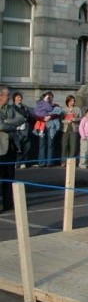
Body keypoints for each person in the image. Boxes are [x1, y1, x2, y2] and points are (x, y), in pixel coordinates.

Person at [0, 85, 26, 213]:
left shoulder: (11, 108)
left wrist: (7, 121)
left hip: (11, 146)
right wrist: (12, 124)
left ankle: (8, 203)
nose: (9, 97)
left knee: (9, 176)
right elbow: (0, 125)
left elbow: (21, 119)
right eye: (7, 95)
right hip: (0, 147)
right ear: (0, 96)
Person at [34, 91, 61, 167]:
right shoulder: (40, 105)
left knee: (50, 144)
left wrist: (50, 117)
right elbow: (36, 115)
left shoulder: (55, 106)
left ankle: (50, 162)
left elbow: (57, 113)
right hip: (41, 126)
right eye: (48, 97)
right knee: (42, 144)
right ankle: (41, 163)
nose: (49, 98)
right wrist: (43, 118)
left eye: (50, 97)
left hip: (51, 127)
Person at [12, 92, 33, 169]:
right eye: (17, 97)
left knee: (27, 146)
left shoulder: (25, 107)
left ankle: (23, 162)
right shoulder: (12, 108)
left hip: (25, 129)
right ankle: (16, 162)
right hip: (17, 130)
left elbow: (30, 114)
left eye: (20, 97)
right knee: (18, 147)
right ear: (14, 98)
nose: (19, 99)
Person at [61, 95, 82, 167]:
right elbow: (61, 120)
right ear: (67, 101)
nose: (72, 103)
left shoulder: (77, 109)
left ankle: (71, 161)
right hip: (65, 129)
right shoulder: (63, 109)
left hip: (74, 129)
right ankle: (64, 161)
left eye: (73, 101)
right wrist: (66, 121)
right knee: (65, 145)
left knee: (73, 145)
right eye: (70, 101)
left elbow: (81, 118)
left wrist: (75, 119)